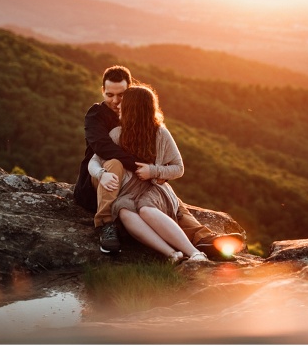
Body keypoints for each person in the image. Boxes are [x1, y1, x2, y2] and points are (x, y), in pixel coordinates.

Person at [74, 65, 244, 257]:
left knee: (166, 196)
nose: (115, 102)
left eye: (121, 96)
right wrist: (144, 169)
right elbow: (102, 149)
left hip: (137, 179)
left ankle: (202, 240)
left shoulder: (151, 127)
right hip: (104, 180)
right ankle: (106, 224)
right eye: (109, 95)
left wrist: (153, 172)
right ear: (103, 92)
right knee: (118, 168)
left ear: (130, 93)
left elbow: (175, 166)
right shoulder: (98, 116)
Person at [88, 84, 208, 263]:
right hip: (128, 190)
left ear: (135, 109)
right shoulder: (117, 133)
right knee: (123, 210)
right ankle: (172, 254)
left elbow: (178, 168)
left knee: (145, 209)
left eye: (124, 104)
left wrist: (153, 171)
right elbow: (94, 161)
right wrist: (101, 174)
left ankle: (195, 253)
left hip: (153, 187)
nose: (118, 106)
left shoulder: (161, 134)